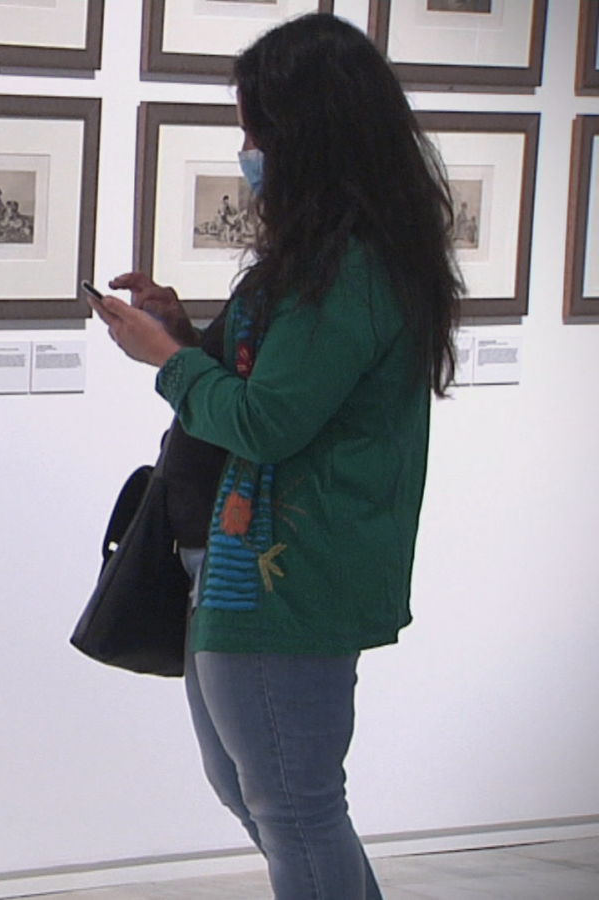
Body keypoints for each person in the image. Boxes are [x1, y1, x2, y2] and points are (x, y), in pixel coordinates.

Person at [85, 14, 462, 899]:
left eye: (256, 129)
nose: (247, 148)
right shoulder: (323, 256)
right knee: (268, 796)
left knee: (294, 807)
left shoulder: (353, 269)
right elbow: (270, 375)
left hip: (285, 580)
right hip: (241, 571)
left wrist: (168, 362)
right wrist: (183, 330)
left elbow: (267, 423)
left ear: (310, 134)